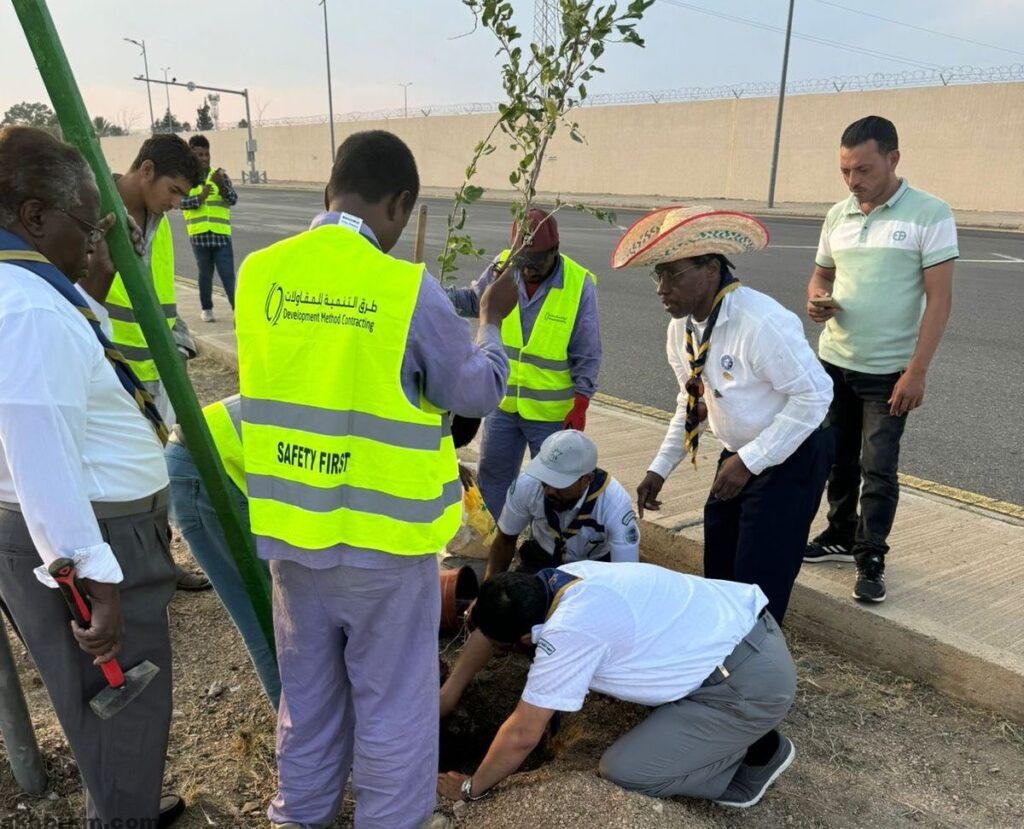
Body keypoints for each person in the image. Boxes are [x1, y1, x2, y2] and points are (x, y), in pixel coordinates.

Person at [234, 130, 517, 829]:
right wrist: (491, 324)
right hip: (384, 548)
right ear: (398, 204)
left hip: (292, 538)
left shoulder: (260, 274)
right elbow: (473, 390)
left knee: (308, 699)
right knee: (393, 706)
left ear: (330, 189)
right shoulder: (403, 288)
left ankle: (298, 817)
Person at [0, 126, 184, 826]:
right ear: (34, 216)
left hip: (75, 530)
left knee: (104, 711)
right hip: (89, 540)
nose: (91, 244)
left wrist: (91, 285)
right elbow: (39, 446)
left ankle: (120, 802)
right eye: (85, 226)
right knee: (121, 704)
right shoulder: (27, 310)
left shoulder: (29, 292)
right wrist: (89, 579)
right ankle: (124, 813)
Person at [165, 397, 482, 712]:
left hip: (238, 452)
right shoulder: (382, 444)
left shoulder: (395, 419)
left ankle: (323, 723)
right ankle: (305, 736)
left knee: (312, 607)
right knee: (270, 620)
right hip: (209, 465)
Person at [437, 563, 797, 809]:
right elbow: (491, 624)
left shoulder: (569, 633)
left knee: (625, 770)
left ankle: (753, 756)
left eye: (504, 647)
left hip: (744, 684)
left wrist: (470, 788)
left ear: (526, 639)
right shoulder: (555, 582)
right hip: (742, 632)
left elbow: (522, 734)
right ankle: (721, 732)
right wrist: (449, 694)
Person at [620, 207, 833, 623]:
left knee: (760, 579)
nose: (662, 289)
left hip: (792, 453)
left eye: (673, 275)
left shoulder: (761, 322)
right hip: (741, 453)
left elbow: (815, 396)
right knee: (719, 562)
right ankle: (722, 642)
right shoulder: (681, 329)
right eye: (658, 275)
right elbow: (692, 402)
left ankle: (755, 652)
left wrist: (749, 462)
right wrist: (660, 467)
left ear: (711, 270)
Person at [804, 116, 957, 604]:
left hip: (889, 371)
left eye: (863, 169)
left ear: (893, 159)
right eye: (845, 170)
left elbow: (939, 300)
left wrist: (917, 371)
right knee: (838, 457)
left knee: (878, 467)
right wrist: (816, 300)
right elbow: (821, 276)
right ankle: (840, 534)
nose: (853, 181)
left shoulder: (929, 213)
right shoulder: (838, 215)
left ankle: (871, 556)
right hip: (834, 361)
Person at [447, 209, 602, 521]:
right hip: (503, 404)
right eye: (523, 261)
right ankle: (491, 539)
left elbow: (587, 352)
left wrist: (581, 402)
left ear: (555, 251)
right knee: (493, 479)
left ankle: (546, 542)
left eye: (536, 262)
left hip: (550, 415)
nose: (528, 270)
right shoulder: (505, 266)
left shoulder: (578, 284)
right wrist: (434, 295)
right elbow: (476, 300)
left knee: (553, 487)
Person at [483, 429, 639, 579]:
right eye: (545, 480)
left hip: (595, 567)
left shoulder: (615, 504)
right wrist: (489, 589)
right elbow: (505, 540)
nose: (549, 491)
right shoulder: (526, 485)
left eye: (559, 484)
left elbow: (626, 574)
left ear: (586, 480)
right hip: (542, 559)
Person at [179, 134, 238, 322]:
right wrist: (200, 198)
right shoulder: (186, 179)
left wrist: (222, 187)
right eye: (200, 155)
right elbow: (180, 203)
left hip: (221, 236)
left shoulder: (220, 176)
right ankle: (207, 309)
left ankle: (238, 311)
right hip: (199, 236)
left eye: (206, 154)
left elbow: (233, 199)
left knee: (228, 275)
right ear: (191, 156)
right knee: (205, 275)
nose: (204, 158)